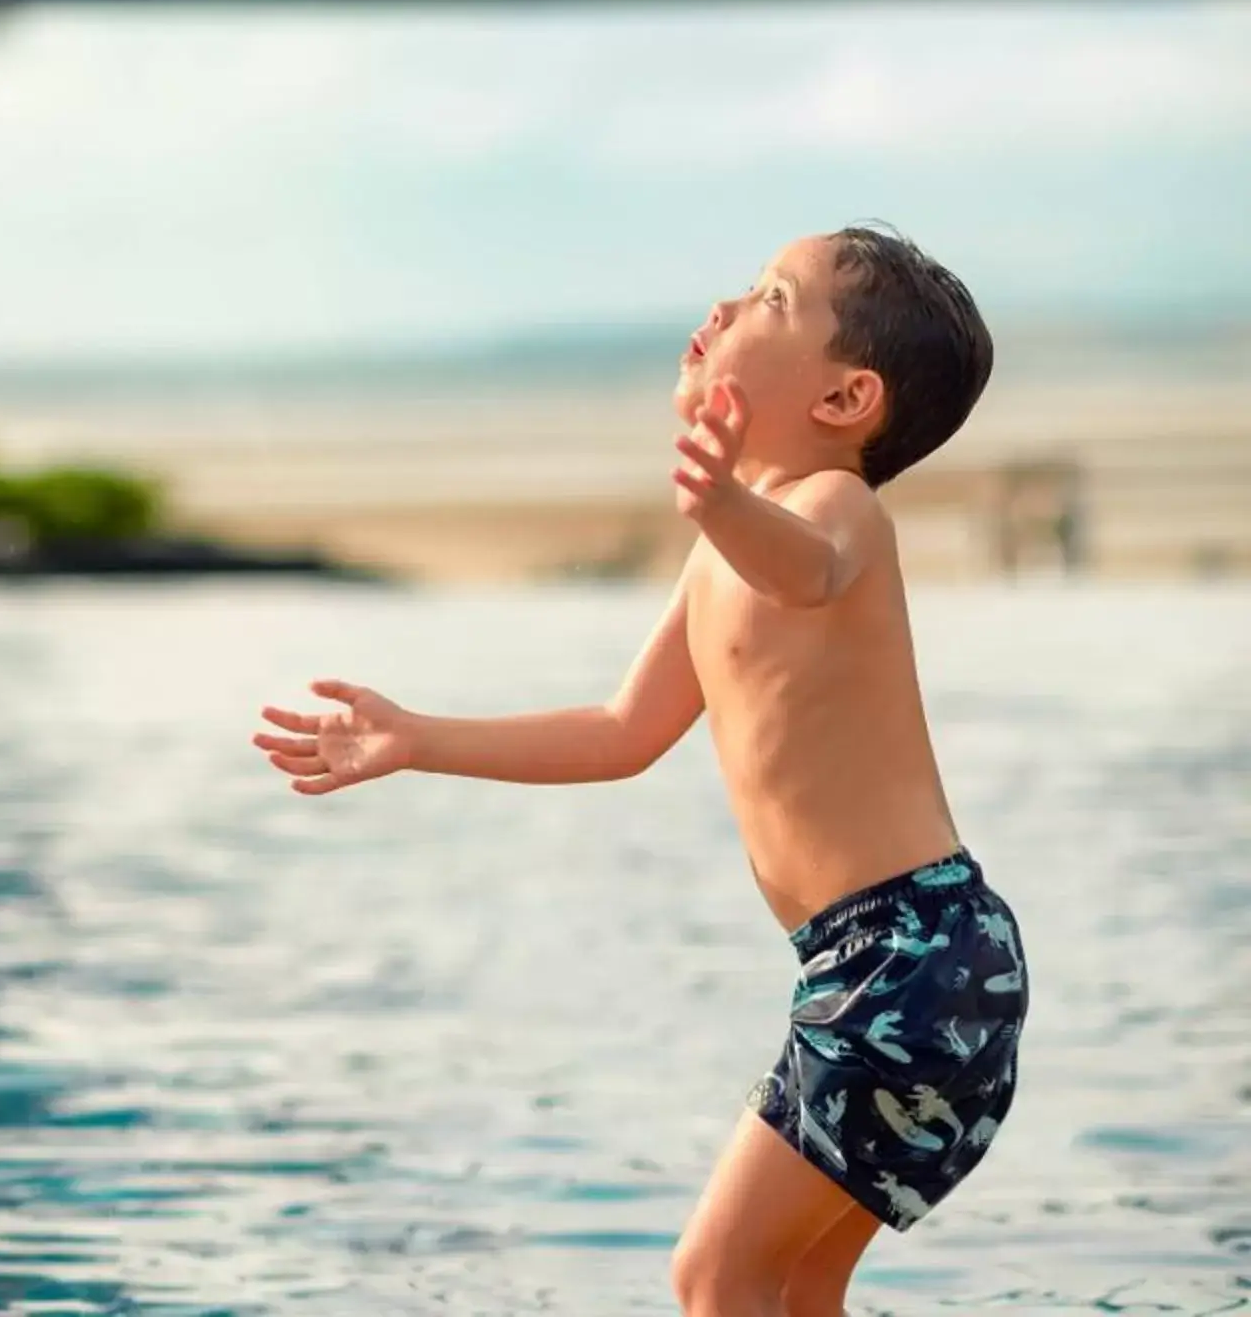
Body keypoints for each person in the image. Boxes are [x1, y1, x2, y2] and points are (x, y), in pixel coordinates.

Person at [252, 226, 1026, 1317]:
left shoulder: (832, 510)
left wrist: (718, 501)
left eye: (769, 298)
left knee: (714, 1277)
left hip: (908, 953)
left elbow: (808, 574)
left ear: (846, 401)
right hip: (883, 960)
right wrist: (420, 738)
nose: (722, 304)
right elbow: (618, 733)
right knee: (794, 1285)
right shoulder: (724, 548)